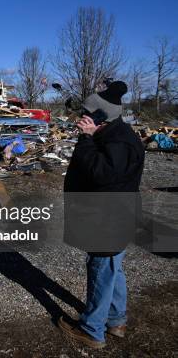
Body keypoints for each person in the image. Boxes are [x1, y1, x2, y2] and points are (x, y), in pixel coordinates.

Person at [58, 81, 145, 349]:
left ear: (100, 117)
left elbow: (101, 174)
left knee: (100, 269)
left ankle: (91, 330)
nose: (81, 119)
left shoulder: (118, 141)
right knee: (112, 268)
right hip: (112, 217)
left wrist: (86, 138)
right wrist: (92, 135)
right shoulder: (113, 134)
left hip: (107, 220)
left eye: (87, 114)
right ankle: (116, 320)